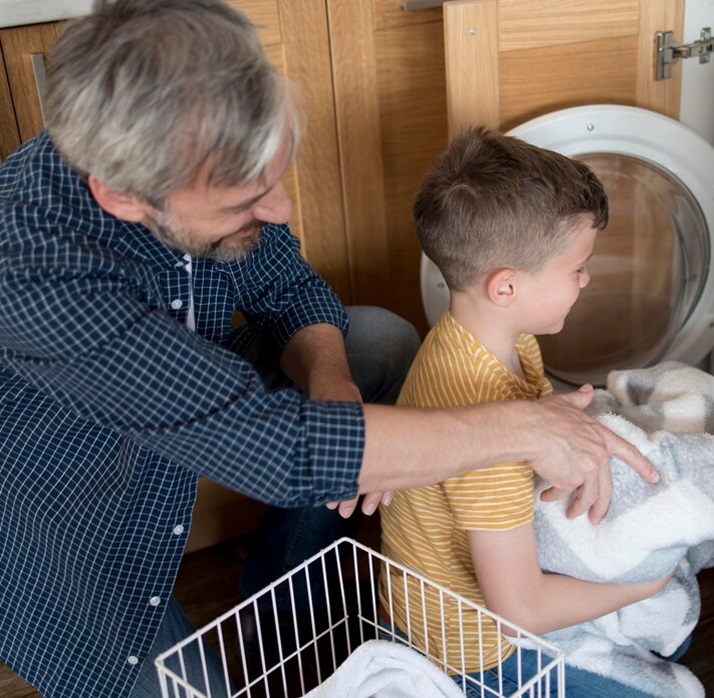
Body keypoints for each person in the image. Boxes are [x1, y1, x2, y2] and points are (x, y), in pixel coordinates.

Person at [0, 2, 659, 697]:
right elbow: (276, 450)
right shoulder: (34, 273)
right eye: (245, 201)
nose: (280, 209)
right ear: (125, 197)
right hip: (47, 502)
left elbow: (288, 287)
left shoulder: (188, 157)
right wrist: (526, 426)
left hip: (194, 384)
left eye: (274, 177)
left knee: (373, 341)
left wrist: (334, 387)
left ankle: (287, 608)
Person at [379, 127, 673, 698]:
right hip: (475, 649)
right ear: (506, 287)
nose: (586, 279)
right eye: (577, 268)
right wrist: (644, 585)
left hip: (421, 597)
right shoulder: (489, 438)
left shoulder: (475, 341)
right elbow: (521, 610)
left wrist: (560, 414)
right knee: (667, 672)